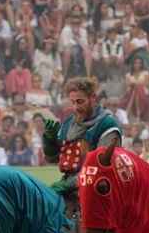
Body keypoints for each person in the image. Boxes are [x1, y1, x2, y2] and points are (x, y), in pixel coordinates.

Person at [42, 77, 121, 216]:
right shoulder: (68, 123)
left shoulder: (107, 125)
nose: (76, 107)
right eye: (72, 102)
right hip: (70, 188)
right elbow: (53, 158)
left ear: (93, 98)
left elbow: (101, 167)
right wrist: (49, 141)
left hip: (97, 189)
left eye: (80, 101)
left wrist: (68, 185)